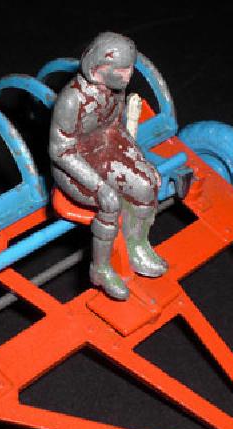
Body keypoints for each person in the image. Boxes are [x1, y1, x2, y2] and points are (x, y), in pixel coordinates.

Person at [48, 32, 167, 301]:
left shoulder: (116, 91)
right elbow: (60, 151)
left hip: (104, 152)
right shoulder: (71, 100)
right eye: (122, 70)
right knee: (110, 202)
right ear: (98, 69)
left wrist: (140, 162)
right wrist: (100, 187)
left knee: (147, 185)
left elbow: (115, 130)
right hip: (73, 167)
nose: (128, 75)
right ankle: (100, 268)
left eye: (130, 68)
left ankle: (137, 245)